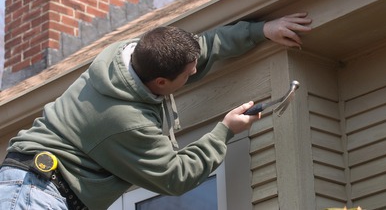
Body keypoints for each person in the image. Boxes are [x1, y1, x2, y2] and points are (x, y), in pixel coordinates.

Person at [0, 13, 312, 210]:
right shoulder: (126, 120)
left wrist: (261, 31)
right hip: (33, 195)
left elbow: (199, 50)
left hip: (35, 187)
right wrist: (225, 130)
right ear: (160, 81)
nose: (194, 72)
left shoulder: (135, 55)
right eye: (188, 74)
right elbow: (175, 177)